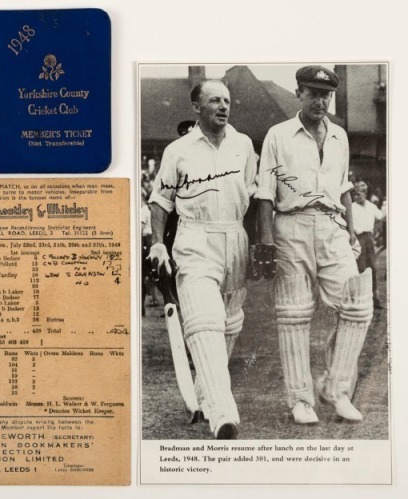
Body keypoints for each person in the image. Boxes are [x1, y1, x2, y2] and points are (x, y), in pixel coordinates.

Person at [255, 66, 373, 425]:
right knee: (294, 315)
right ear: (299, 94)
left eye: (326, 94)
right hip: (290, 225)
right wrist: (265, 241)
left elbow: (343, 187)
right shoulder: (278, 135)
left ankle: (335, 389)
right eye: (312, 93)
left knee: (359, 305)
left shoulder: (340, 136)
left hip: (333, 226)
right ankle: (300, 400)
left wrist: (350, 231)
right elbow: (264, 193)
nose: (320, 100)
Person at [147, 79, 258, 439]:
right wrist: (159, 245)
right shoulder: (178, 150)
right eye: (214, 101)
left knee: (229, 323)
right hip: (194, 237)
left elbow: (255, 198)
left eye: (226, 100)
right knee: (204, 322)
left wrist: (256, 243)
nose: (223, 107)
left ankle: (203, 392)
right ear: (197, 108)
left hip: (235, 236)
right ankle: (224, 414)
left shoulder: (243, 145)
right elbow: (161, 201)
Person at [351, 181, 385, 308]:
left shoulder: (371, 206)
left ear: (365, 194)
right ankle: (359, 299)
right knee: (360, 267)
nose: (356, 196)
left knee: (372, 268)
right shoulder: (352, 207)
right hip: (357, 238)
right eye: (354, 193)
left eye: (359, 193)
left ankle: (374, 298)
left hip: (369, 238)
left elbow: (380, 216)